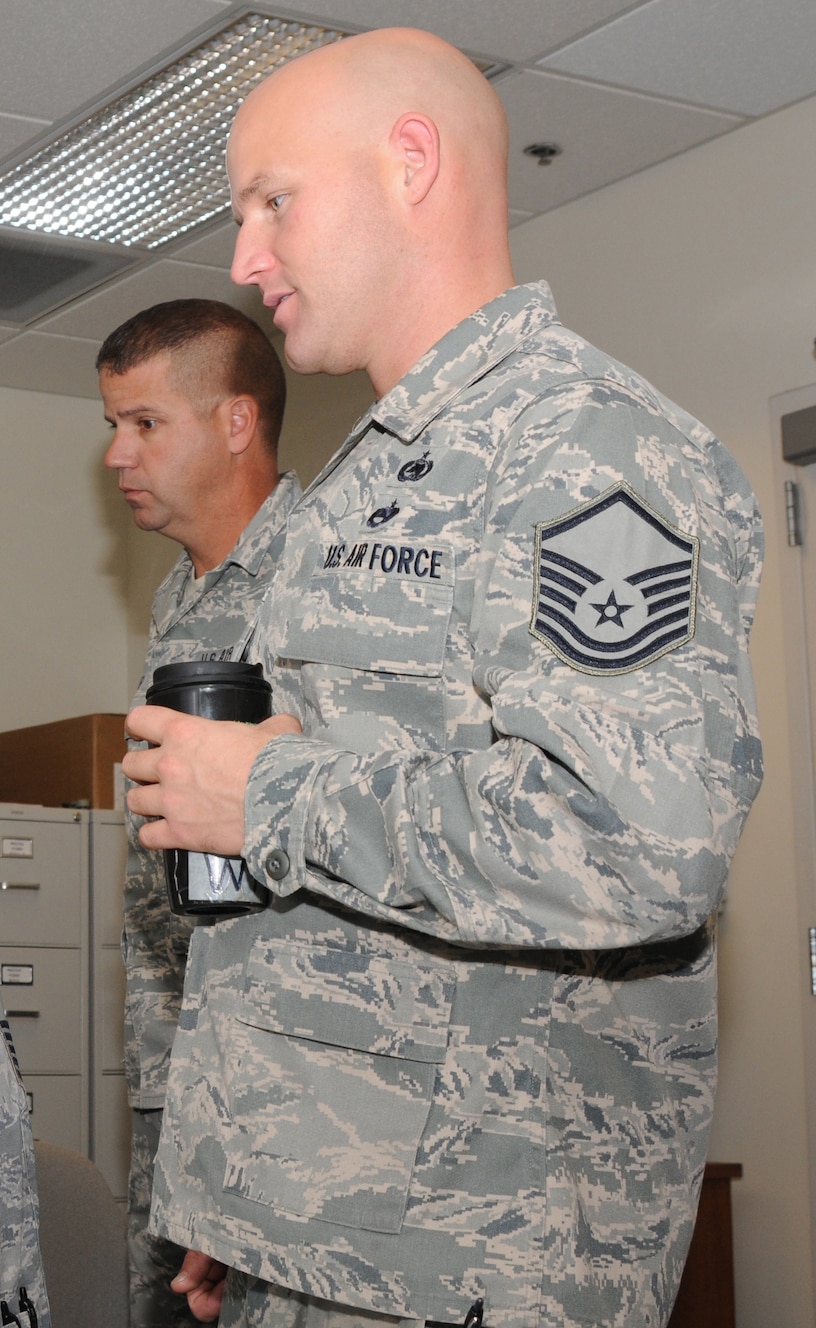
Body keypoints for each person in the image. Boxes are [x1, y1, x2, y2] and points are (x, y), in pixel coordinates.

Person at [125, 28, 762, 1328]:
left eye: (274, 203)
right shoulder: (377, 471)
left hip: (483, 1255)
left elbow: (637, 843)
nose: (246, 259)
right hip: (328, 1224)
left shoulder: (585, 450)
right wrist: (242, 1178)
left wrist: (270, 796)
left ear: (409, 164)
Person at [97, 298, 297, 1328]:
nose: (115, 454)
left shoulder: (319, 578)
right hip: (175, 1058)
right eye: (110, 425)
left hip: (274, 1079)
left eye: (143, 423)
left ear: (233, 422)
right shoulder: (178, 591)